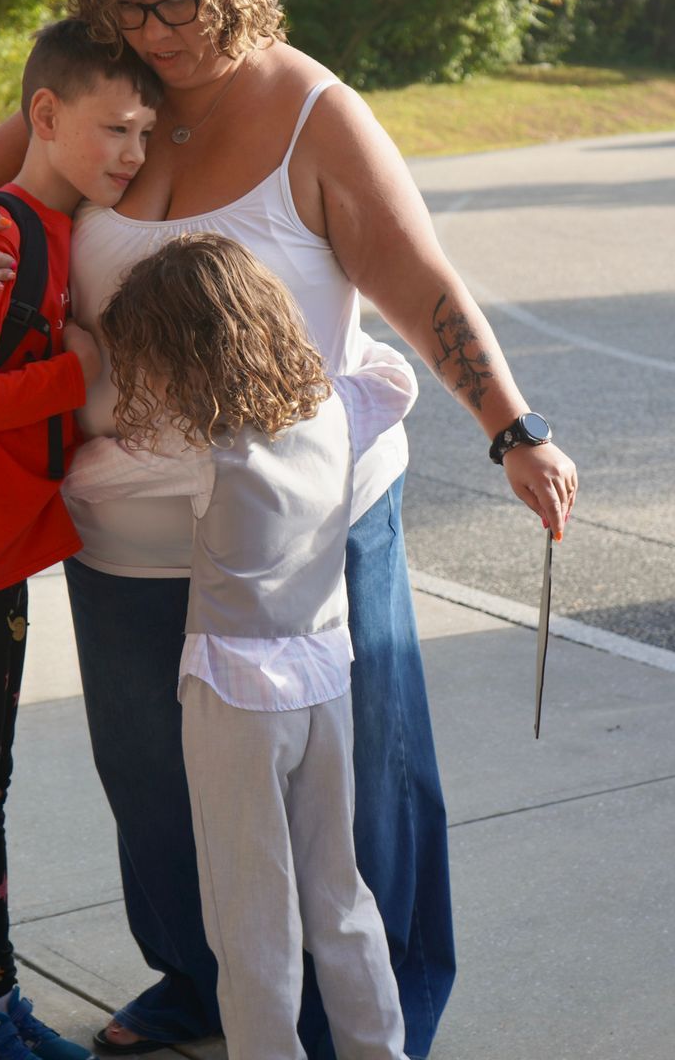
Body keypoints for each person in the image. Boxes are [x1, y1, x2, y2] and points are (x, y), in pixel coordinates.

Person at [0, 0, 578, 1059]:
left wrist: (514, 428)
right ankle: (196, 976)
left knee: (355, 787)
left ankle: (376, 1012)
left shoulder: (312, 110)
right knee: (154, 779)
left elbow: (419, 284)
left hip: (301, 523)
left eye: (186, 4)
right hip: (126, 526)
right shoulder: (103, 92)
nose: (164, 33)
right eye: (136, 9)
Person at [63, 234, 420, 1060]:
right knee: (339, 892)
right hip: (325, 681)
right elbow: (396, 380)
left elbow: (84, 475)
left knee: (249, 911)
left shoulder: (200, 447)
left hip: (234, 697)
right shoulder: (335, 407)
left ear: (178, 354)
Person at [0, 19, 157, 1060]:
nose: (132, 153)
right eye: (114, 128)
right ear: (43, 118)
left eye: (145, 130)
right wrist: (79, 368)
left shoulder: (50, 231)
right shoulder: (0, 235)